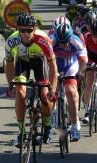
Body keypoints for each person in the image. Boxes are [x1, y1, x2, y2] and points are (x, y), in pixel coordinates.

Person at [5, 13, 58, 146]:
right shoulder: (11, 41)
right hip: (22, 63)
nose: (25, 33)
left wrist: (53, 88)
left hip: (39, 62)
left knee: (44, 96)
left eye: (29, 30)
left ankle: (47, 125)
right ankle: (21, 132)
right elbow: (9, 64)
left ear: (34, 29)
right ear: (17, 29)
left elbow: (53, 67)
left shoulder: (44, 40)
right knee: (20, 94)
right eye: (22, 30)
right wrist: (10, 83)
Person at [49, 23, 87, 140]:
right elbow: (44, 62)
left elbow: (83, 62)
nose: (62, 45)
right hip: (55, 65)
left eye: (65, 42)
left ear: (70, 38)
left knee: (71, 91)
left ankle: (75, 126)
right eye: (60, 42)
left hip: (71, 65)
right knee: (50, 91)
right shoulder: (51, 41)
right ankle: (50, 124)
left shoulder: (76, 41)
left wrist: (80, 73)